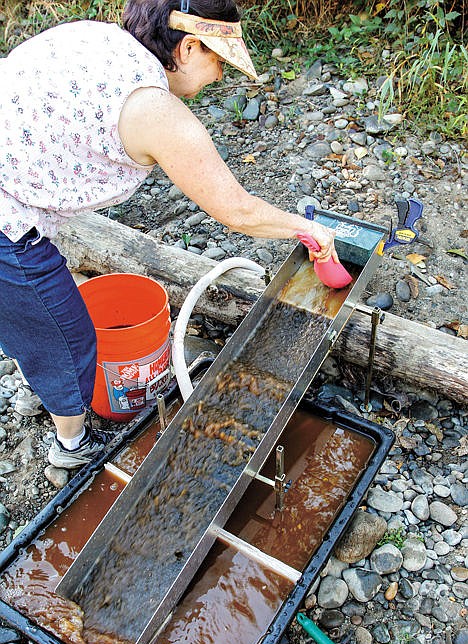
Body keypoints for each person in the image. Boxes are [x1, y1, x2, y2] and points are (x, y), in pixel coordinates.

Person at [0, 0, 337, 469]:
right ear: (189, 47)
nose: (219, 76)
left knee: (26, 315)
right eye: (218, 61)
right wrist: (306, 228)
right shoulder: (155, 112)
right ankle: (71, 448)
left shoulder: (99, 39)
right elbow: (235, 209)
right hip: (6, 218)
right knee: (64, 334)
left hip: (12, 185)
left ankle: (38, 391)